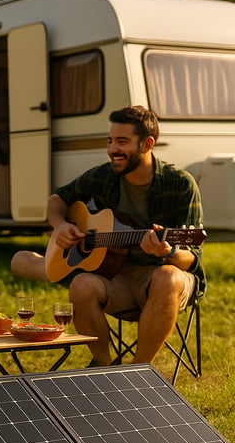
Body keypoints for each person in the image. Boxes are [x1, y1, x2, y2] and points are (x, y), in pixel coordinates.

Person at [11, 105, 204, 367]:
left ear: (147, 144)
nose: (113, 149)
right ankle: (103, 367)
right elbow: (58, 199)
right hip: (118, 276)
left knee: (167, 276)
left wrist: (167, 251)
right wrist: (59, 225)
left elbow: (191, 261)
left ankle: (138, 372)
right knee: (81, 285)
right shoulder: (105, 176)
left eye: (122, 142)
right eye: (110, 141)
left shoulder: (180, 184)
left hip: (162, 281)